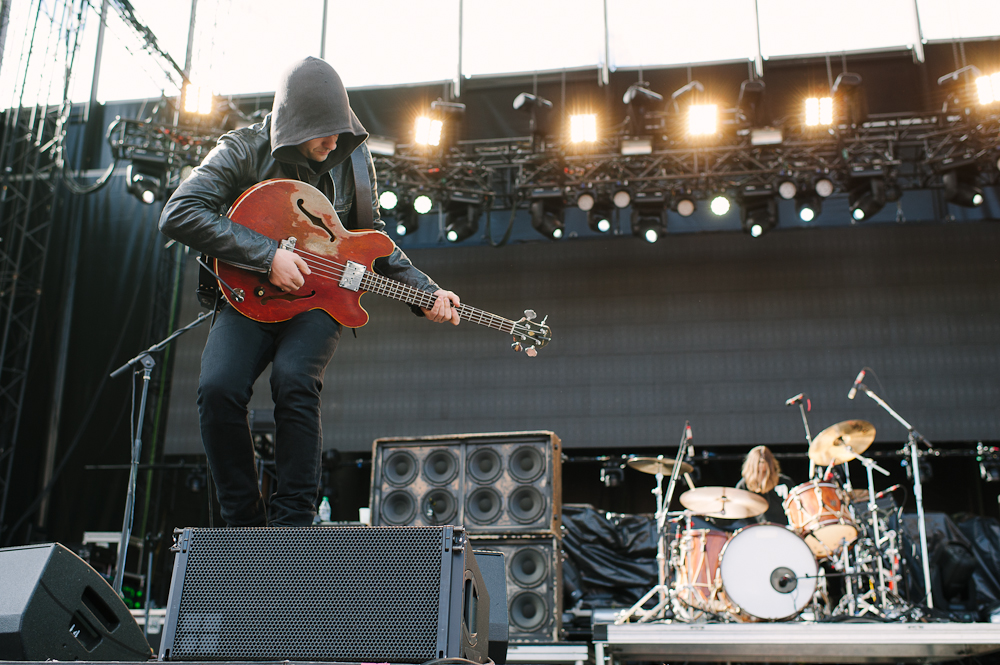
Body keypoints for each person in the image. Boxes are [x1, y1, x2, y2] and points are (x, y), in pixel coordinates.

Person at [158, 56, 460, 527]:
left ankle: (294, 523)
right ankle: (242, 525)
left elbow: (370, 240)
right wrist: (266, 256)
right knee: (217, 390)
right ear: (294, 124)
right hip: (248, 299)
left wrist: (427, 291)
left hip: (319, 300)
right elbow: (179, 213)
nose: (334, 142)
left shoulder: (354, 160)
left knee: (295, 380)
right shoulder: (243, 148)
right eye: (323, 132)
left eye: (340, 132)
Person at [735, 445, 792, 525]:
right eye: (758, 471)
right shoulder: (744, 486)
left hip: (782, 528)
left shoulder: (784, 482)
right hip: (753, 530)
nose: (761, 466)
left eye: (765, 472)